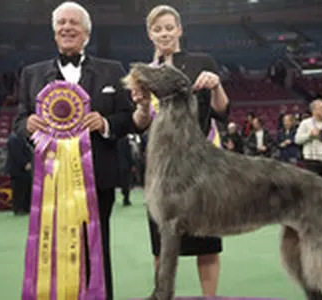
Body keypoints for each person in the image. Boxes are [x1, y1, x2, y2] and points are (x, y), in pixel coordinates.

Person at [12, 2, 134, 299]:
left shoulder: (112, 70)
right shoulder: (31, 73)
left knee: (96, 247)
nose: (67, 27)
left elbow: (129, 118)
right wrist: (27, 124)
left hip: (97, 179)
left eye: (74, 23)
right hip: (49, 180)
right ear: (54, 33)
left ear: (87, 33)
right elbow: (18, 121)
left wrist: (105, 122)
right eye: (61, 23)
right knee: (49, 249)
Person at [130, 5, 229, 296]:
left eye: (169, 27)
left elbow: (222, 111)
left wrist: (217, 84)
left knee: (207, 243)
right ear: (150, 34)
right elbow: (140, 123)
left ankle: (209, 297)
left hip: (201, 166)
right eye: (157, 29)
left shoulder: (202, 61)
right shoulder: (143, 73)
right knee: (162, 243)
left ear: (180, 29)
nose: (164, 33)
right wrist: (142, 104)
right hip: (161, 169)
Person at [295, 99, 322, 182]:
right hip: (312, 161)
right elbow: (297, 140)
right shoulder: (305, 123)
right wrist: (310, 135)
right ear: (314, 110)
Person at [5, 132, 32, 215]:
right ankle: (18, 208)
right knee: (18, 190)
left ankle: (26, 207)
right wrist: (24, 163)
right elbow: (16, 154)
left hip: (27, 170)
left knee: (27, 189)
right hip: (17, 170)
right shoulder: (14, 138)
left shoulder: (24, 137)